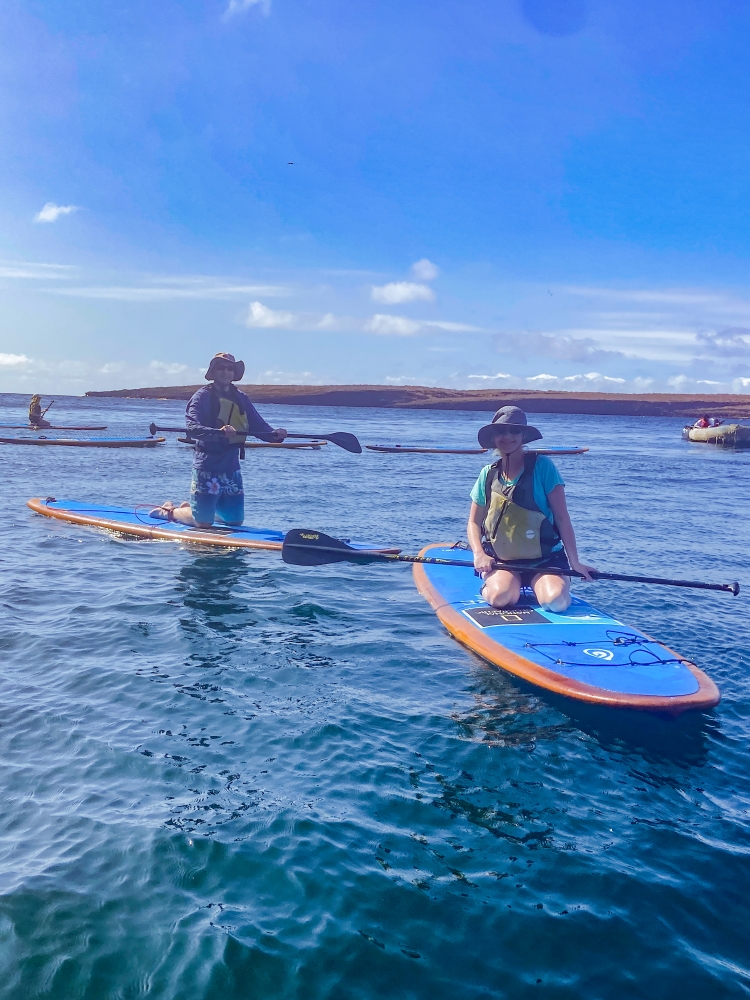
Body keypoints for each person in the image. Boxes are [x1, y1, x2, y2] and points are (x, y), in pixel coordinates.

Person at [467, 406, 596, 613]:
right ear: (494, 436)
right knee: (500, 598)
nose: (507, 436)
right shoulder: (487, 474)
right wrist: (479, 555)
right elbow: (474, 522)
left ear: (524, 436)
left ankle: (554, 585)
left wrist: (575, 562)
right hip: (502, 562)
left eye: (514, 431)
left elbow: (562, 518)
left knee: (555, 602)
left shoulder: (543, 467)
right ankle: (493, 586)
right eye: (501, 431)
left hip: (546, 561)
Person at [151, 353, 287, 528]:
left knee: (235, 522)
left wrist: (275, 435)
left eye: (230, 368)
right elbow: (192, 428)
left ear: (234, 372)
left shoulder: (241, 397)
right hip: (207, 466)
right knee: (202, 524)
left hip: (231, 468)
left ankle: (194, 509)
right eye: (221, 368)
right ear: (213, 371)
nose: (225, 372)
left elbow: (259, 426)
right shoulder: (202, 396)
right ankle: (169, 511)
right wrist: (219, 433)